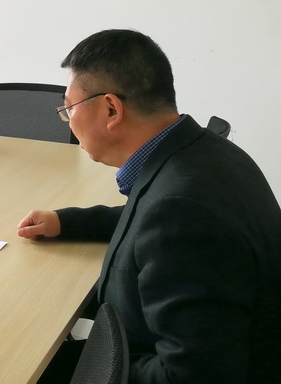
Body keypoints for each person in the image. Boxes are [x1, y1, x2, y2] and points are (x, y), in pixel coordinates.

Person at [17, 29, 281, 383]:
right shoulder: (198, 153)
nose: (68, 120)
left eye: (69, 109)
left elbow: (191, 375)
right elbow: (146, 216)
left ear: (111, 109)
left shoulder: (182, 212)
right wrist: (67, 223)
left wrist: (96, 365)